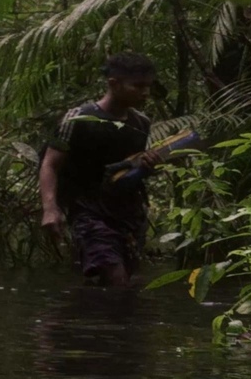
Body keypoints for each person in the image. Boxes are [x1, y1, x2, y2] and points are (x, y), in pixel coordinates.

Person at [39, 52, 163, 287]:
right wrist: (50, 209)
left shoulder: (141, 123)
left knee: (120, 283)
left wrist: (146, 165)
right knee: (115, 279)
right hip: (88, 212)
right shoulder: (78, 119)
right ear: (113, 84)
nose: (145, 92)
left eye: (148, 86)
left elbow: (128, 169)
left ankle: (89, 319)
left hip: (128, 216)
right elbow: (50, 164)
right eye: (137, 86)